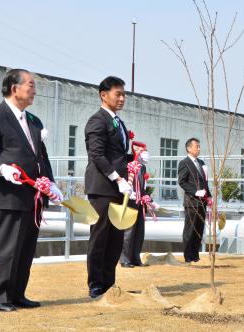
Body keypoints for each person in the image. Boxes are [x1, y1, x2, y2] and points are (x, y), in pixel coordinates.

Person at [0, 69, 62, 312]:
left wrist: (50, 182)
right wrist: (1, 169)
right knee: (5, 248)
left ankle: (17, 294)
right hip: (7, 194)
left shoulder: (33, 120)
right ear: (14, 88)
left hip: (32, 197)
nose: (34, 90)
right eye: (30, 85)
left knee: (25, 249)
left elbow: (41, 156)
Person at [84, 76, 137, 298]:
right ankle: (96, 284)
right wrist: (117, 178)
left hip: (119, 189)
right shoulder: (98, 120)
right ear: (103, 95)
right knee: (100, 237)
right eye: (118, 94)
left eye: (124, 94)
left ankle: (109, 282)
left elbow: (118, 154)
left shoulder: (118, 121)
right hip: (103, 188)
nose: (122, 98)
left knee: (116, 239)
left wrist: (135, 156)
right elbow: (97, 154)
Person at [120, 148, 159, 268]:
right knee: (128, 232)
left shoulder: (143, 168)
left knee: (139, 233)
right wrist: (128, 193)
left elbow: (142, 188)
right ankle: (125, 259)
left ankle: (136, 258)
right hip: (130, 200)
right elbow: (124, 181)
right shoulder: (129, 165)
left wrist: (149, 200)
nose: (146, 155)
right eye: (144, 152)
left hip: (140, 202)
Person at [177, 137, 212, 263]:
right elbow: (182, 182)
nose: (199, 148)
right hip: (191, 201)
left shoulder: (202, 163)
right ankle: (188, 256)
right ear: (189, 148)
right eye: (197, 146)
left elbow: (205, 182)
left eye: (199, 146)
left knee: (199, 229)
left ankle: (195, 255)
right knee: (190, 230)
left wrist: (209, 196)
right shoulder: (184, 163)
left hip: (202, 202)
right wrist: (195, 191)